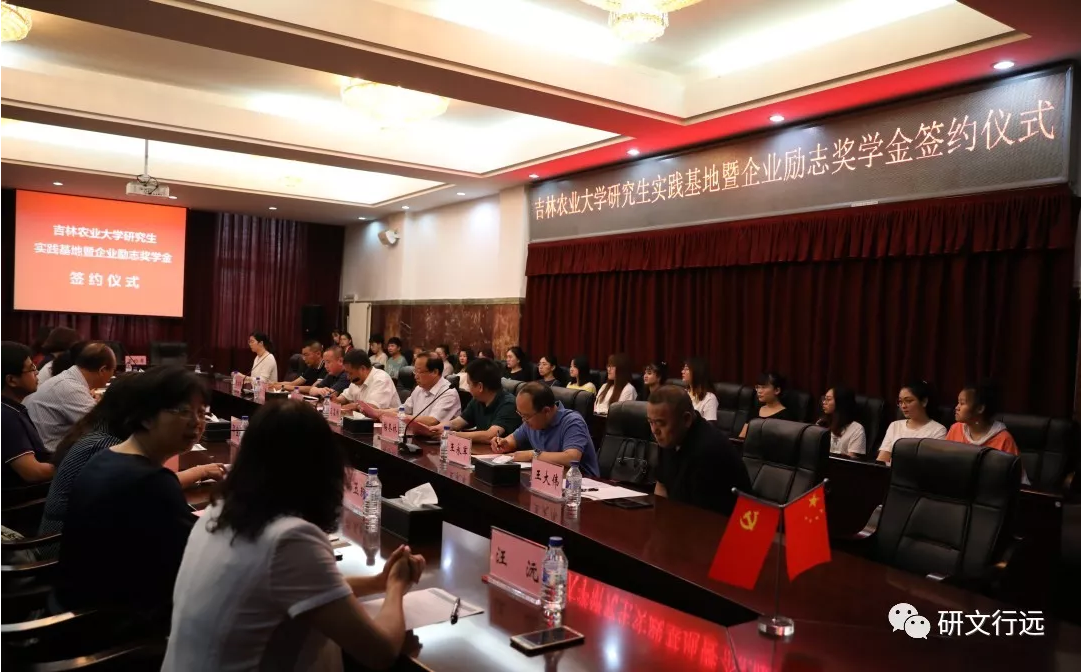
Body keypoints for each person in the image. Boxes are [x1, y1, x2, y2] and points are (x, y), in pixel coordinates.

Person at [163, 401, 424, 671]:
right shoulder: (290, 539)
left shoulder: (218, 511)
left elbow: (304, 588)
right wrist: (397, 586)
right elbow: (380, 652)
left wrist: (378, 582)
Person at [57, 367, 221, 625]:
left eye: (201, 412)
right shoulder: (151, 481)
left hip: (75, 604)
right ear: (145, 417)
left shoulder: (107, 457)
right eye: (183, 411)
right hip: (109, 625)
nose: (196, 422)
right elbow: (192, 559)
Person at [647, 386, 751, 514]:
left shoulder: (709, 450)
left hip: (724, 521)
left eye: (660, 423)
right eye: (650, 422)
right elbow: (661, 485)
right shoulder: (670, 438)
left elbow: (702, 514)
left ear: (686, 419)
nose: (654, 430)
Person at [491, 383, 600, 477]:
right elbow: (512, 439)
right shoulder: (532, 421)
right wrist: (503, 443)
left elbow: (571, 458)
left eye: (526, 416)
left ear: (546, 411)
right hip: (548, 481)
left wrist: (532, 455)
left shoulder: (572, 422)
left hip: (582, 486)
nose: (523, 420)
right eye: (520, 414)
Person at [26, 341, 116, 453]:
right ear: (102, 370)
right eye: (113, 370)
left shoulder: (69, 379)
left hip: (46, 447)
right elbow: (102, 428)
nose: (112, 375)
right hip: (49, 455)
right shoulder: (71, 388)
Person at [357, 352, 461, 432]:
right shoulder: (419, 388)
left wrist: (398, 417)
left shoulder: (448, 393)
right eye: (415, 371)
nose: (415, 376)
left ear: (435, 372)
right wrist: (378, 412)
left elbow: (432, 421)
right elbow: (403, 410)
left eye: (419, 371)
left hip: (437, 444)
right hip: (415, 436)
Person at [2, 341, 54, 487]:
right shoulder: (6, 417)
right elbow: (33, 472)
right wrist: (73, 465)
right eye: (32, 368)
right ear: (12, 380)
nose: (37, 373)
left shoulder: (11, 409)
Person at [434, 358, 521, 444]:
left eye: (469, 384)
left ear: (480, 387)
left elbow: (490, 435)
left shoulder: (509, 404)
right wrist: (437, 429)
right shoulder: (478, 399)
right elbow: (458, 422)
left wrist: (452, 435)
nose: (468, 388)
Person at [875, 381, 948, 465]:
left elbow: (933, 465)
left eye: (908, 401)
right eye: (900, 401)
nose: (903, 406)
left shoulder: (938, 431)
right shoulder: (895, 425)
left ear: (924, 402)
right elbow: (882, 459)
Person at [946, 381, 1020, 456]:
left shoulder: (1004, 439)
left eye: (962, 403)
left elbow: (1013, 463)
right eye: (958, 402)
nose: (957, 407)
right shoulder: (955, 429)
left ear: (980, 408)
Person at [334, 351, 399, 413]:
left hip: (388, 420)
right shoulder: (357, 380)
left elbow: (371, 410)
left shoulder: (381, 379)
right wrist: (336, 400)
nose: (348, 377)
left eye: (350, 373)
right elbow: (346, 396)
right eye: (347, 373)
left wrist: (354, 406)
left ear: (362, 369)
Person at [739, 372, 796, 439]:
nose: (759, 391)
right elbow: (742, 437)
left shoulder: (786, 416)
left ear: (777, 390)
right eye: (758, 387)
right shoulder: (756, 410)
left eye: (763, 387)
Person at [817, 386, 867, 458]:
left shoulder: (857, 429)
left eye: (828, 399)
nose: (824, 402)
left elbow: (851, 461)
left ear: (840, 403)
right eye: (824, 399)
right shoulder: (821, 422)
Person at [681, 357, 718, 422]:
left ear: (697, 372)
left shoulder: (709, 398)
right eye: (683, 369)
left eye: (686, 369)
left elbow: (710, 425)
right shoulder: (683, 393)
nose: (682, 372)